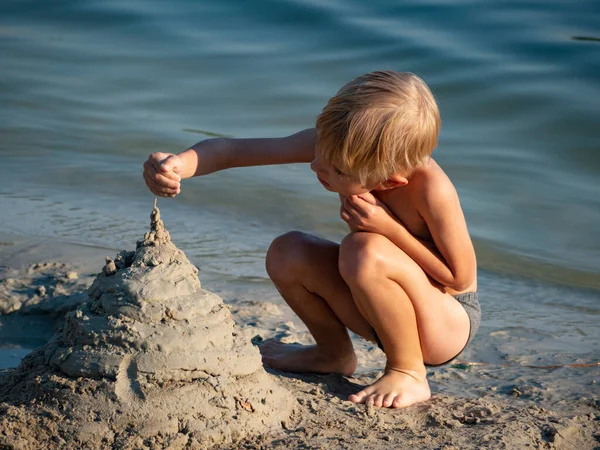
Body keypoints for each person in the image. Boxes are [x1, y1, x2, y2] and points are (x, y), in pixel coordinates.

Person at [142, 70, 480, 409]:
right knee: (288, 251)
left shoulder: (431, 189)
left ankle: (408, 371)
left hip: (443, 325)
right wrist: (177, 165)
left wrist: (389, 228)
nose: (316, 165)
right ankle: (332, 354)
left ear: (390, 182)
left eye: (336, 171)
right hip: (379, 309)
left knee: (363, 249)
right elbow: (232, 150)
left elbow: (459, 280)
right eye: (319, 152)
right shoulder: (340, 148)